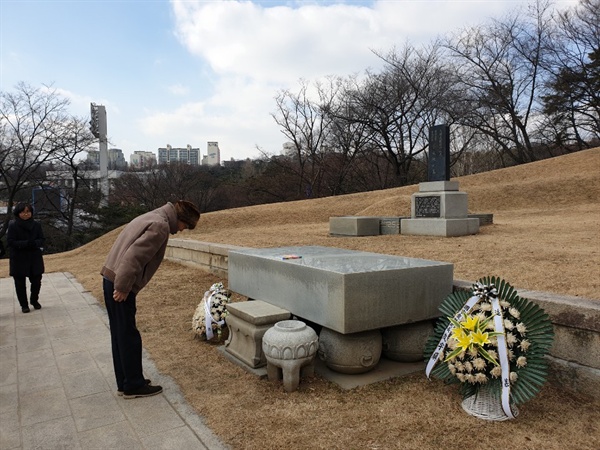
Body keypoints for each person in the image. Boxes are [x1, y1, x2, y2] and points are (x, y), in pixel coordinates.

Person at [101, 200, 200, 399]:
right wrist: (122, 287)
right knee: (128, 335)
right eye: (185, 226)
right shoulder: (160, 226)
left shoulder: (152, 216)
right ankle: (133, 385)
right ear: (181, 219)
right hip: (120, 283)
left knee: (120, 333)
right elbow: (133, 258)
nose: (182, 231)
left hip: (111, 277)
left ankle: (127, 380)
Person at [6, 203, 45, 313]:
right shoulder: (13, 225)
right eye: (23, 212)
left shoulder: (36, 224)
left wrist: (34, 243)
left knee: (37, 281)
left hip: (34, 257)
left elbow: (42, 239)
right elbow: (10, 242)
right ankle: (24, 305)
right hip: (18, 258)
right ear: (18, 213)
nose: (26, 214)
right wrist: (26, 243)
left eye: (28, 211)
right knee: (20, 284)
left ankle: (34, 300)